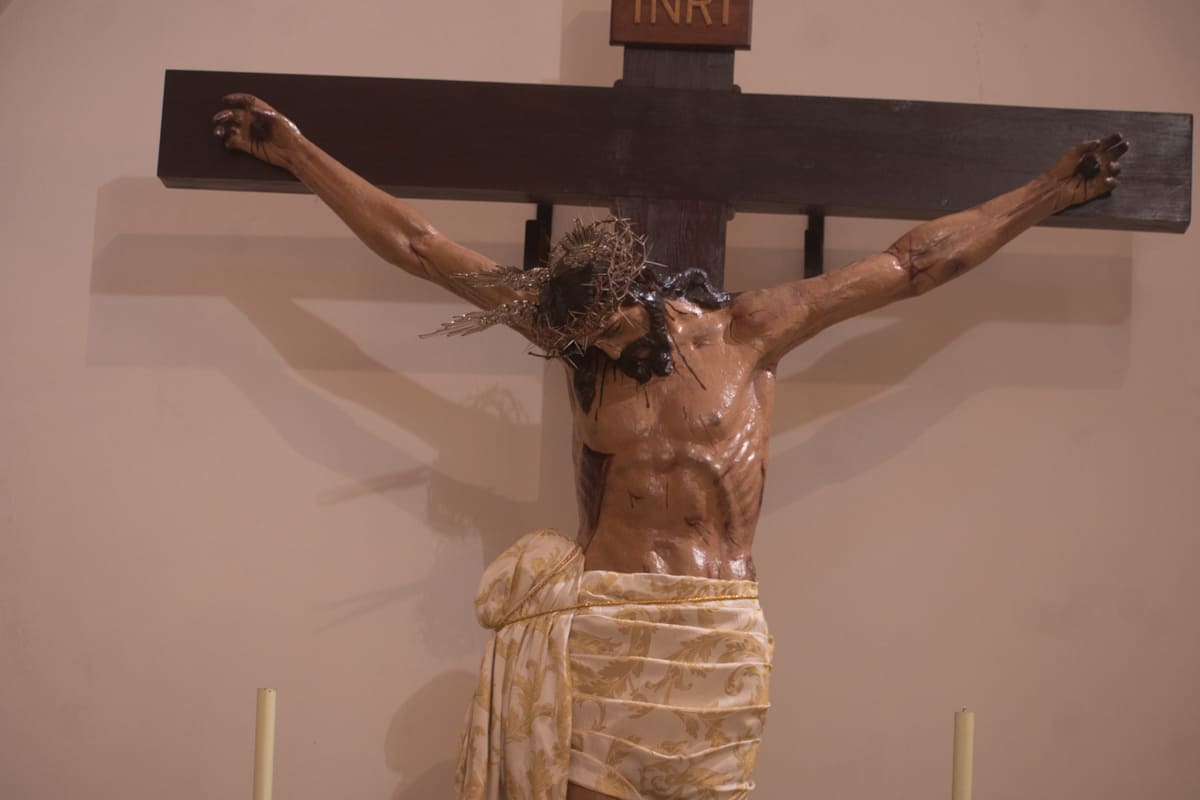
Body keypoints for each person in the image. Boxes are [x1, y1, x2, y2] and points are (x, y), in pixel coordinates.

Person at [213, 94, 1125, 800]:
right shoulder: (574, 337)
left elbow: (912, 265)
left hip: (715, 631)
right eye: (575, 335)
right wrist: (296, 150)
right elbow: (419, 246)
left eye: (603, 329)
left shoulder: (753, 329)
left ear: (641, 297)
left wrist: (1048, 191)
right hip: (606, 626)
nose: (586, 346)